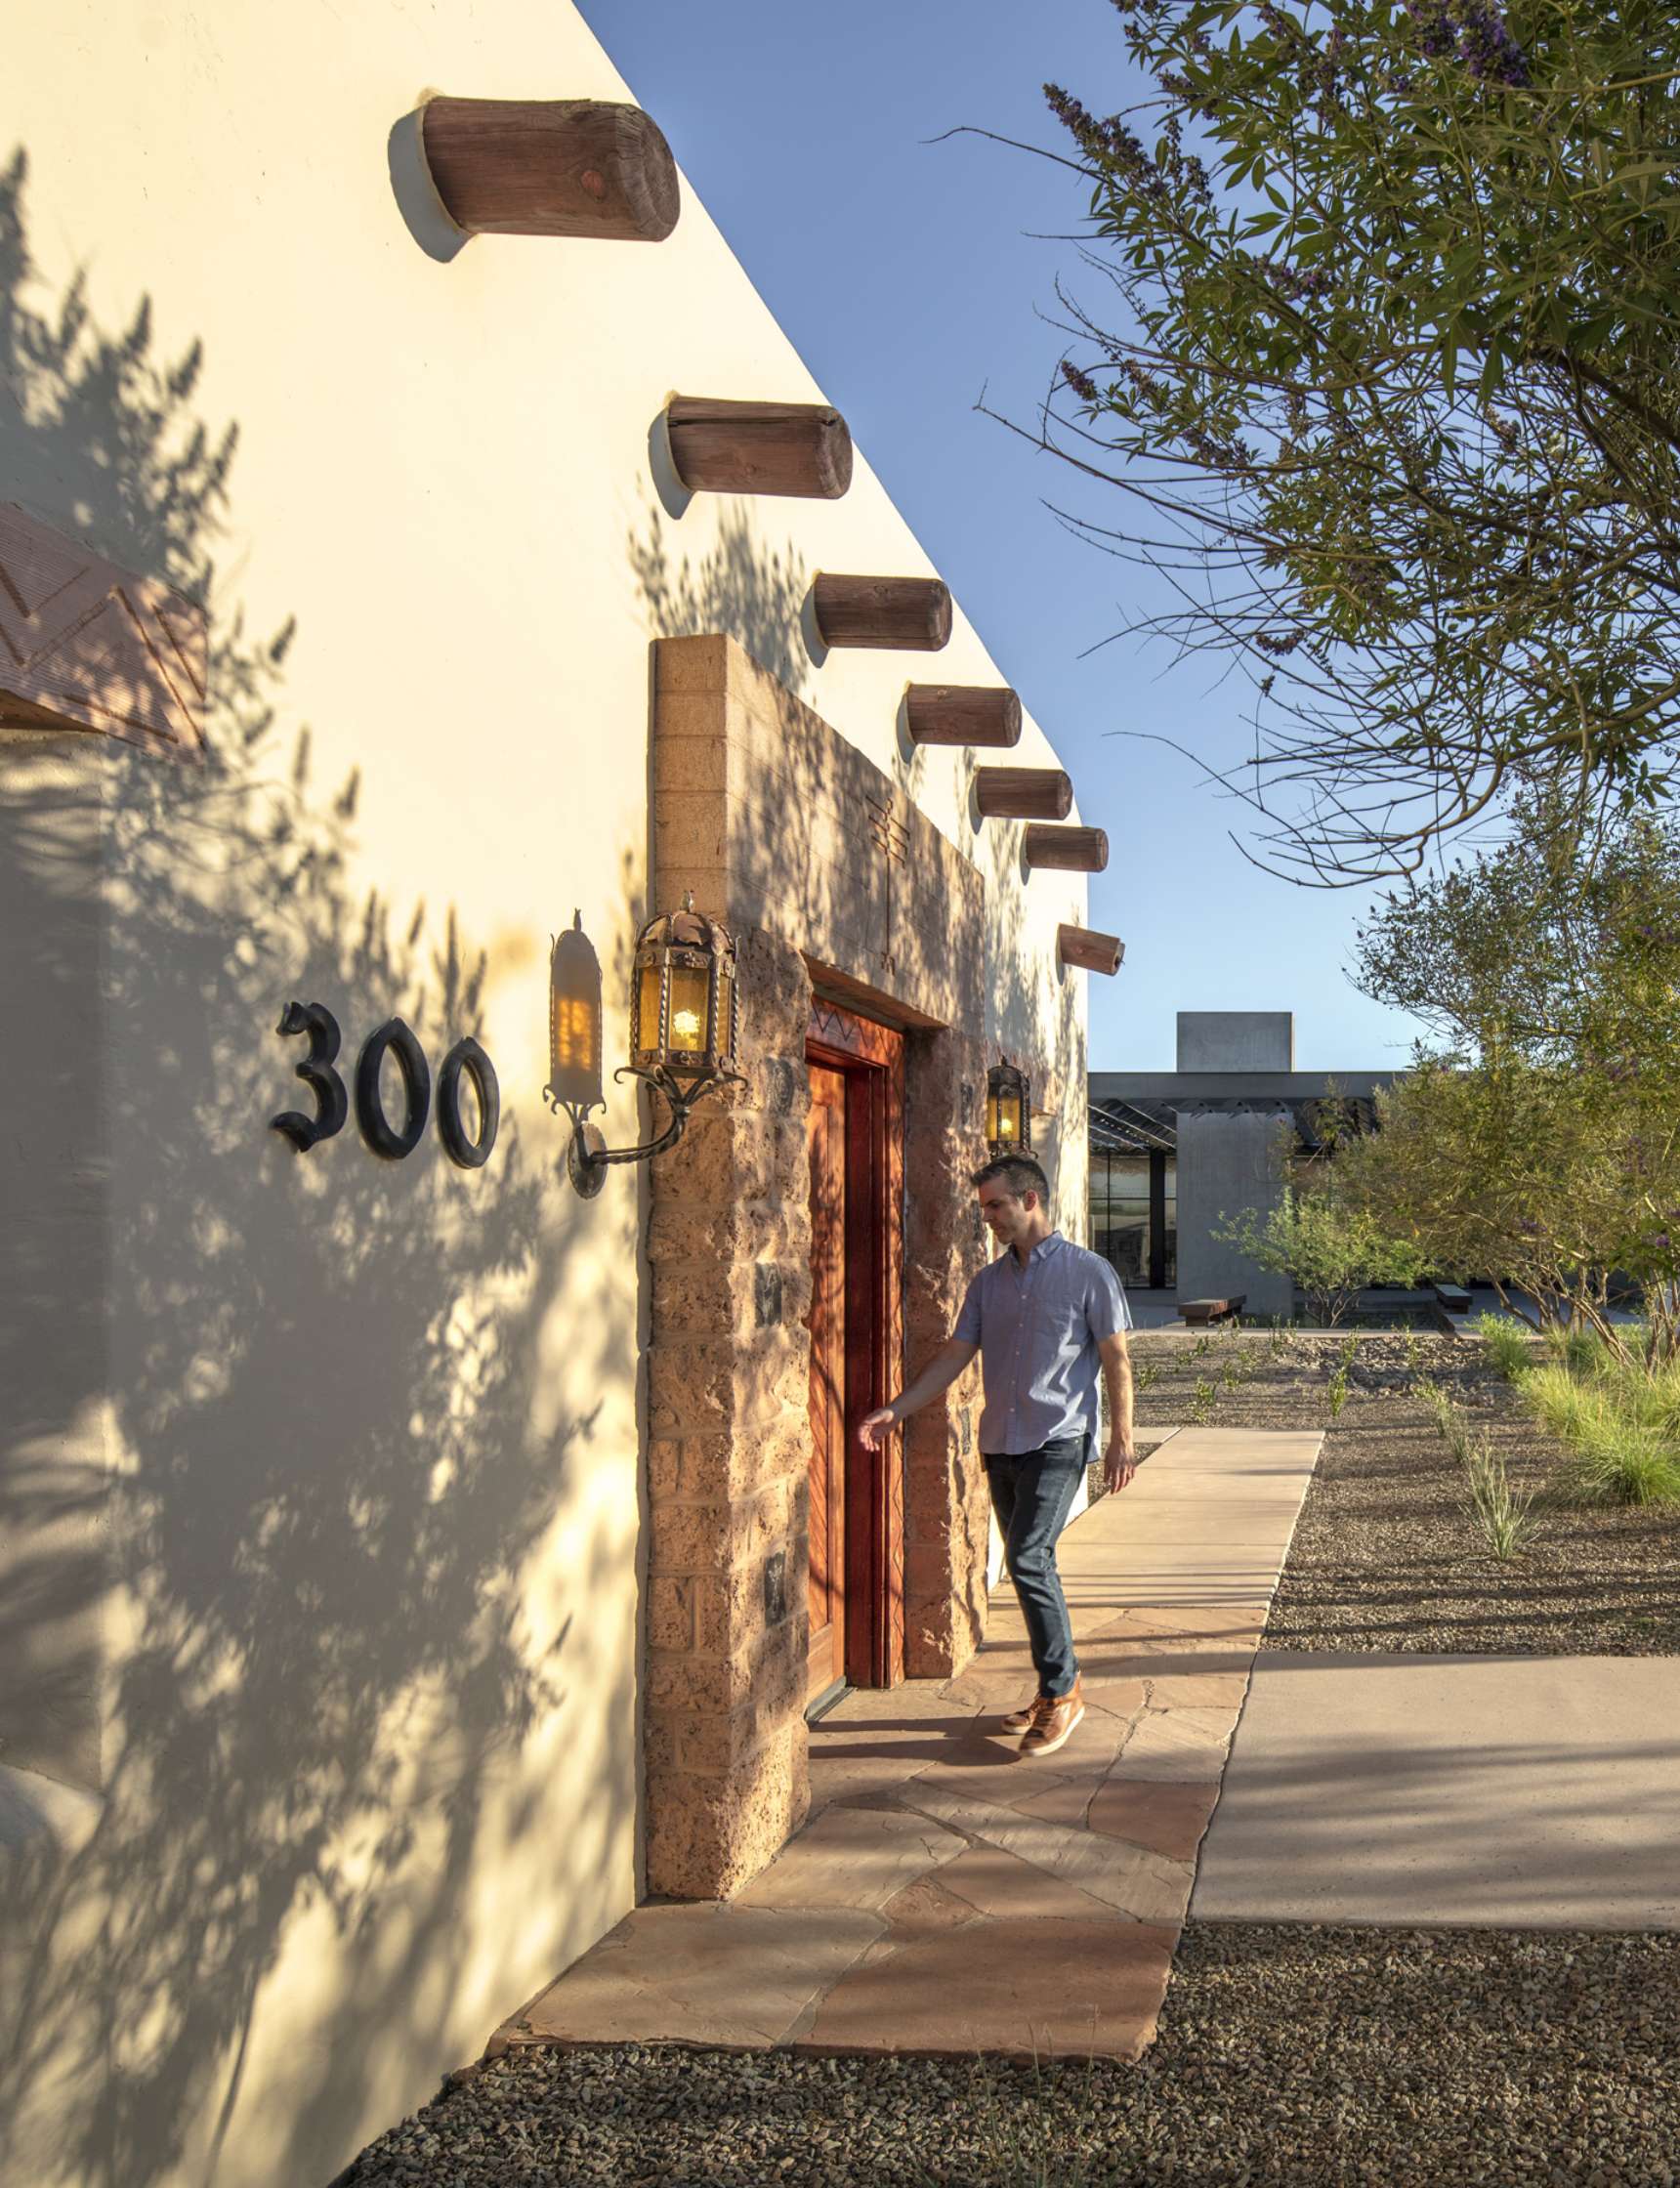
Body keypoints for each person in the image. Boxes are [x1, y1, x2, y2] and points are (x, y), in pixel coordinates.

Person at [858, 1152, 1136, 1758]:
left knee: (1030, 1558)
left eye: (995, 1205)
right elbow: (957, 1355)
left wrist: (1121, 1438)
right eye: (984, 1206)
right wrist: (897, 1409)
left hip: (1058, 1438)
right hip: (999, 1441)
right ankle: (1051, 1689)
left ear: (1029, 1200)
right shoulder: (988, 1283)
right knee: (1027, 1563)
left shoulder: (1090, 1273)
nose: (987, 1218)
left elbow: (1116, 1360)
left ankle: (1063, 1695)